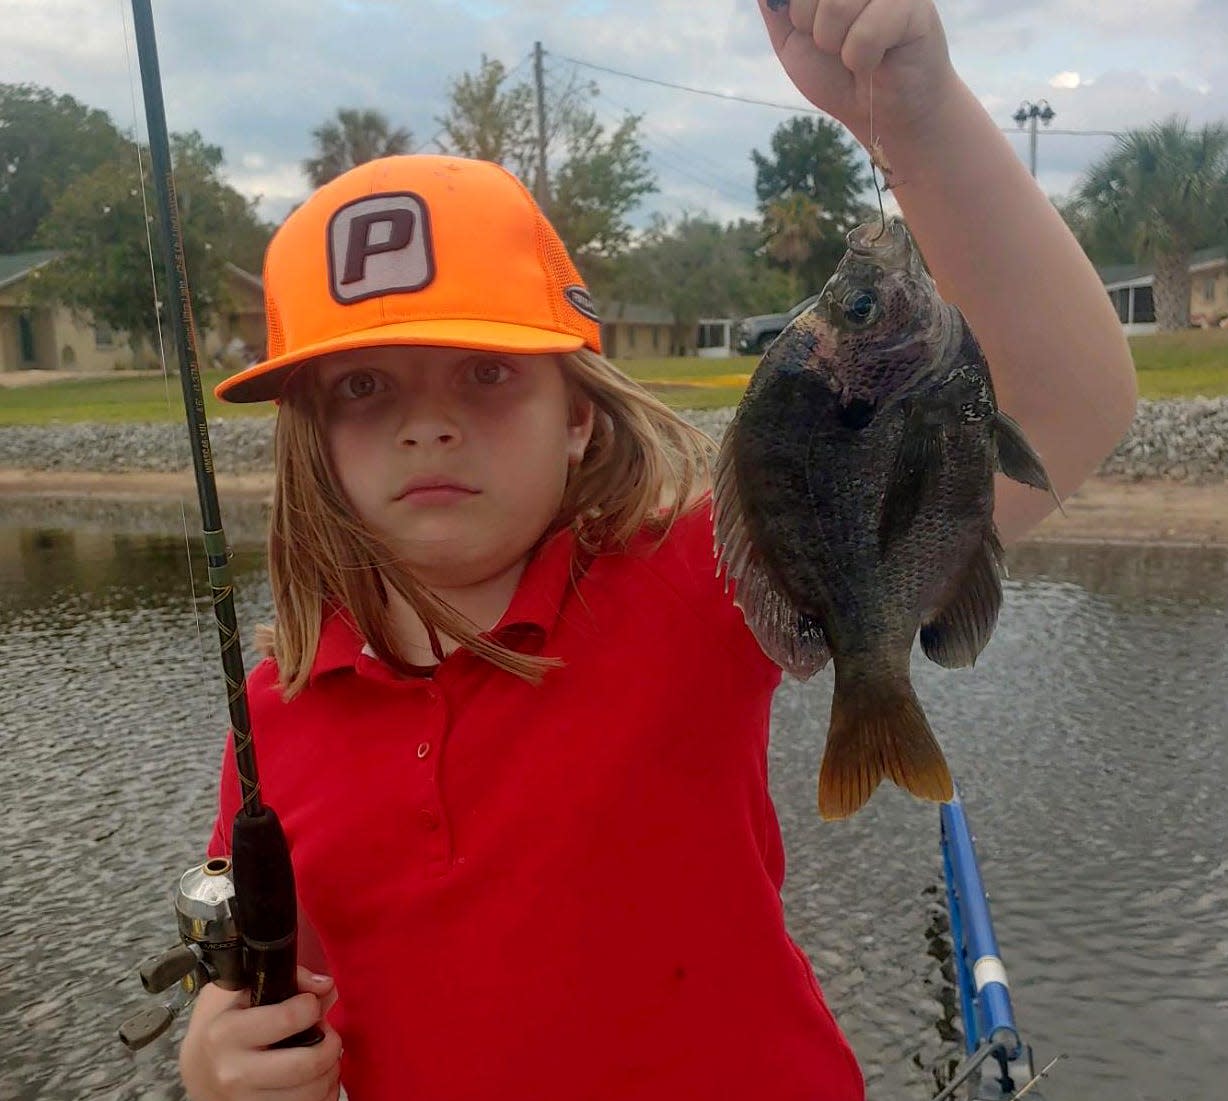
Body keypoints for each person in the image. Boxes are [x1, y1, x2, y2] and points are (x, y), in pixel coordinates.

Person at [178, 1, 1138, 1098]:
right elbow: (270, 985)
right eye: (362, 387)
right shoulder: (275, 711)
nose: (425, 424)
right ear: (316, 439)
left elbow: (1069, 405)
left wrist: (913, 118)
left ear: (578, 416)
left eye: (487, 374)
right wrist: (218, 1061)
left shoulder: (692, 585)